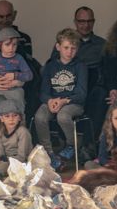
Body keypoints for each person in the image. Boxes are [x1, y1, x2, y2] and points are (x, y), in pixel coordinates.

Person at [34, 28, 88, 170]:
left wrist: (64, 101)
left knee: (63, 116)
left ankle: (72, 145)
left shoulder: (80, 66)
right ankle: (49, 153)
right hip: (53, 102)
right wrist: (49, 101)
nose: (69, 51)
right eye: (66, 47)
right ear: (58, 47)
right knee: (40, 116)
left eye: (73, 48)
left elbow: (81, 94)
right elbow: (43, 92)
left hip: (73, 103)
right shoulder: (50, 66)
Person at [49, 6, 106, 90]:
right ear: (75, 22)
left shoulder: (102, 44)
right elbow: (53, 64)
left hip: (93, 84)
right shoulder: (64, 42)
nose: (86, 25)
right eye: (82, 21)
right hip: (67, 82)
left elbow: (107, 70)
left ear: (94, 22)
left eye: (89, 21)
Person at [84, 101, 117, 169]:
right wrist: (109, 165)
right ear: (111, 119)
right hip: (110, 167)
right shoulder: (106, 134)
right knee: (89, 164)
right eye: (116, 118)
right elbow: (102, 157)